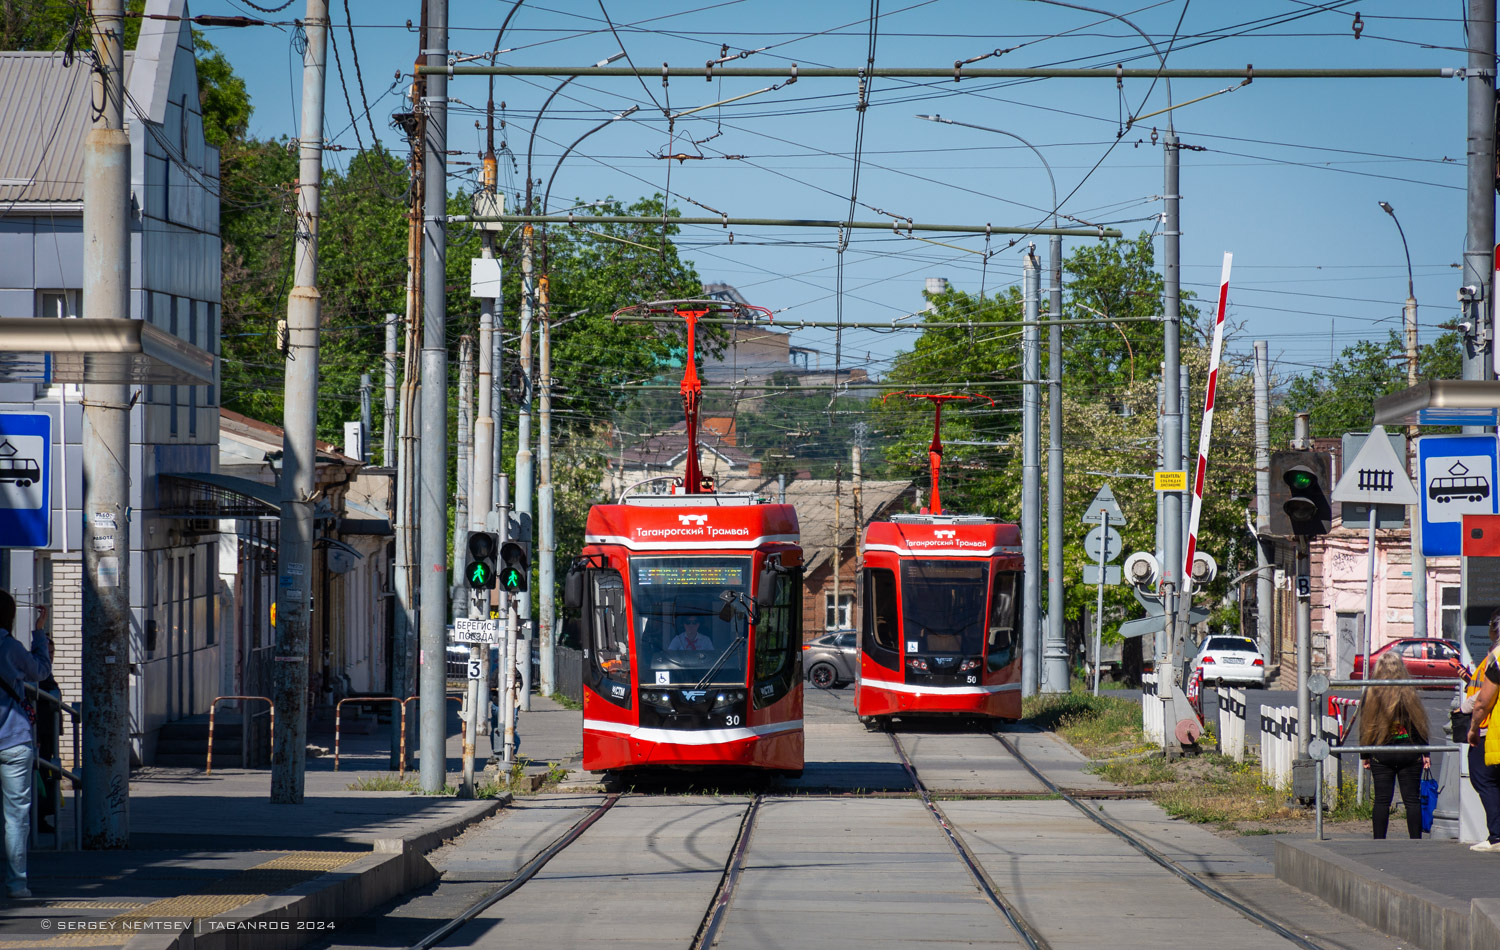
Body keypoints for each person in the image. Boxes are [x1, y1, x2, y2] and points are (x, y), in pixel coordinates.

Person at [0, 591, 51, 900]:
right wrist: (39, 633)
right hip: (14, 741)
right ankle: (17, 884)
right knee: (16, 817)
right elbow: (41, 672)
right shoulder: (11, 647)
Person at [1360, 651, 1430, 840]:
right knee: (1412, 801)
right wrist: (1425, 752)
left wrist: (1364, 754)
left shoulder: (1371, 692)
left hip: (1381, 753)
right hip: (1409, 752)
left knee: (1382, 801)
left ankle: (1379, 841)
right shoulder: (1409, 691)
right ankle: (1416, 841)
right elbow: (1419, 725)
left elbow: (1366, 726)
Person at [1461, 610, 1500, 852]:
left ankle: (1497, 836)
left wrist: (1473, 727)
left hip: (1492, 729)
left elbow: (1484, 700)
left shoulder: (1497, 657)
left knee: (1483, 779)